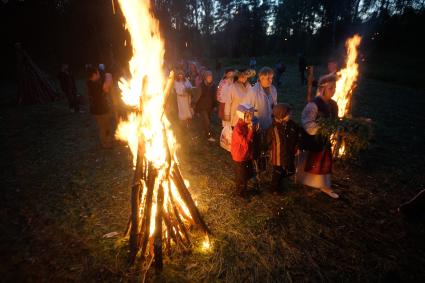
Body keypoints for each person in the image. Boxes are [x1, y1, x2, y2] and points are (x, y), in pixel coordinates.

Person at [296, 74, 339, 199]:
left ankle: (324, 185)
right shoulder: (313, 105)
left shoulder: (333, 105)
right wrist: (322, 128)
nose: (333, 90)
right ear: (322, 88)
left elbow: (334, 121)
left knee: (323, 162)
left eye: (334, 87)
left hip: (324, 140)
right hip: (312, 140)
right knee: (311, 161)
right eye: (331, 88)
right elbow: (307, 123)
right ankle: (306, 181)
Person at [266, 103, 301, 193]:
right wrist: (270, 150)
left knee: (290, 170)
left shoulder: (290, 125)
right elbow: (270, 142)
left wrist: (296, 146)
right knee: (277, 173)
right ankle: (273, 188)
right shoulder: (273, 129)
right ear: (281, 116)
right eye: (288, 114)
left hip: (288, 153)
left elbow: (295, 136)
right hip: (278, 156)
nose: (291, 115)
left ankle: (279, 183)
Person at [231, 103, 258, 198]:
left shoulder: (246, 124)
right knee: (241, 175)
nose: (251, 117)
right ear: (242, 116)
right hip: (239, 156)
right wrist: (251, 131)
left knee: (246, 173)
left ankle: (244, 189)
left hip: (246, 154)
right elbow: (246, 143)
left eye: (252, 114)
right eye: (248, 115)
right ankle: (240, 193)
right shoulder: (238, 129)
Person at [86, 66, 113, 149]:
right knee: (104, 128)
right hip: (101, 111)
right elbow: (107, 86)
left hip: (96, 110)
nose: (99, 74)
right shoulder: (95, 85)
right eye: (97, 73)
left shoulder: (89, 83)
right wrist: (108, 74)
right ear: (94, 74)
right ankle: (106, 144)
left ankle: (107, 142)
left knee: (104, 127)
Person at [196, 70, 217, 141]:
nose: (210, 78)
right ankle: (208, 136)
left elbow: (214, 97)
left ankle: (204, 131)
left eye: (211, 76)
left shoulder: (213, 86)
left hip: (209, 107)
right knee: (207, 121)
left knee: (208, 121)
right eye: (208, 76)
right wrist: (196, 108)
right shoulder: (201, 86)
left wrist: (215, 106)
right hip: (202, 107)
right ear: (205, 77)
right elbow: (197, 97)